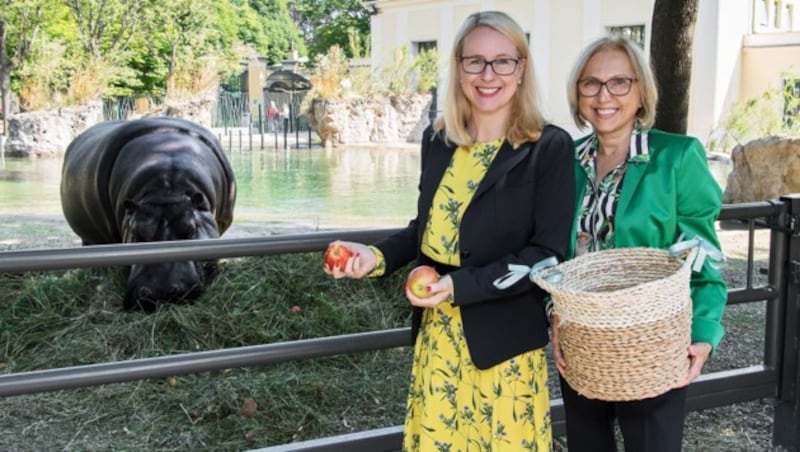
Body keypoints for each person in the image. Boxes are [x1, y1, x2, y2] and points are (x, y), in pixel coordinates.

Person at [323, 10, 575, 451]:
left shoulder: (548, 147)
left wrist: (459, 286)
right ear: (458, 68)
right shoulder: (439, 141)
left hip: (504, 346)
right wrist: (375, 257)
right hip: (438, 338)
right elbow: (427, 229)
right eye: (474, 61)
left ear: (522, 69)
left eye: (502, 61)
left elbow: (548, 254)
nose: (487, 74)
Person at [552, 36, 728, 451]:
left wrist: (703, 333)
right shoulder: (564, 160)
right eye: (590, 84)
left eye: (619, 82)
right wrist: (554, 316)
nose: (604, 95)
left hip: (653, 343)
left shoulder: (678, 157)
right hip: (583, 341)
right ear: (577, 95)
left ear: (641, 91)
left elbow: (700, 253)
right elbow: (554, 255)